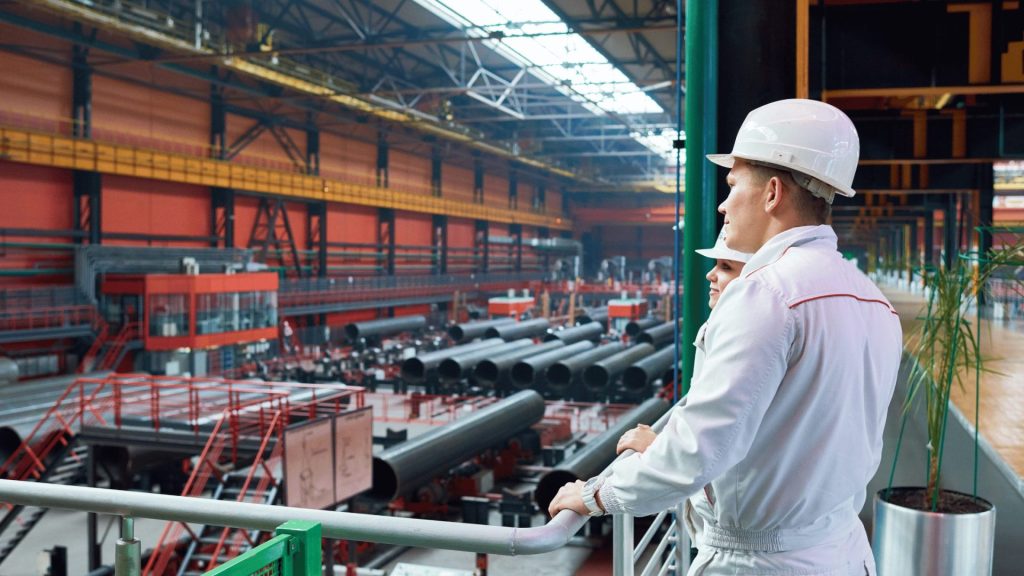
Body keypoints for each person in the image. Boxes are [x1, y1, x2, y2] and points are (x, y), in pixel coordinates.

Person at [548, 99, 903, 576]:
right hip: (841, 552)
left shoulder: (768, 293)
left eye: (733, 185)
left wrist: (596, 495)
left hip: (763, 563)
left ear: (772, 193)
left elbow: (699, 449)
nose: (722, 203)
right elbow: (792, 430)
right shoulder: (872, 300)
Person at [616, 228, 752, 560]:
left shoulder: (744, 339)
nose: (710, 275)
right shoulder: (722, 328)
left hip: (742, 547)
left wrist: (593, 497)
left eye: (726, 267)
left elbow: (712, 437)